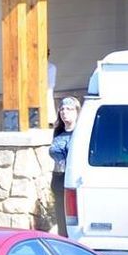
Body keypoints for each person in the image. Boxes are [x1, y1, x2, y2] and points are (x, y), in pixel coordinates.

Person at [49, 94, 81, 232]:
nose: (64, 112)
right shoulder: (58, 132)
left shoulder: (79, 133)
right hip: (58, 178)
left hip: (72, 178)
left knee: (73, 218)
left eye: (69, 109)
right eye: (62, 109)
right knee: (61, 217)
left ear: (77, 112)